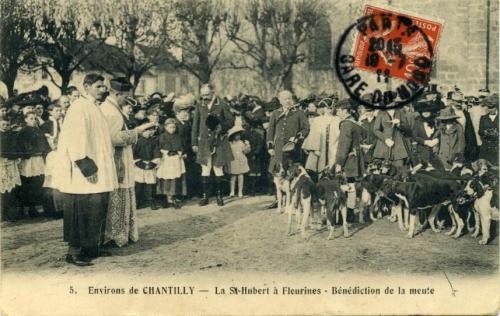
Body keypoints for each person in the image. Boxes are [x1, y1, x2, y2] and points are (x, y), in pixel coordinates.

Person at [53, 73, 117, 266]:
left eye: (104, 86)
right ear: (86, 87)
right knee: (80, 210)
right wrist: (86, 166)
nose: (103, 89)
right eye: (99, 86)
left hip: (99, 168)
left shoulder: (94, 108)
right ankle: (74, 252)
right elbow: (76, 139)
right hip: (85, 172)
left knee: (96, 208)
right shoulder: (79, 107)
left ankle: (91, 247)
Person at [100, 77, 154, 247]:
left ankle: (121, 232)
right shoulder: (110, 111)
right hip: (116, 158)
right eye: (125, 96)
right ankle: (115, 235)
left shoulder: (111, 108)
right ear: (117, 93)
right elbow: (113, 138)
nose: (127, 100)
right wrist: (139, 130)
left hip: (121, 155)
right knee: (117, 194)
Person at [191, 84, 234, 206]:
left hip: (218, 141)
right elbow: (195, 125)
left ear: (213, 92)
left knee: (218, 168)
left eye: (207, 94)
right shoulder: (200, 105)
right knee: (205, 168)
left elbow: (231, 120)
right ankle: (205, 197)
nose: (204, 97)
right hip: (204, 142)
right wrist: (194, 142)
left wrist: (222, 127)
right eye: (203, 95)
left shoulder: (222, 104)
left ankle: (219, 197)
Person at [266, 90, 309, 208]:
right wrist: (270, 147)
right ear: (280, 100)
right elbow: (270, 132)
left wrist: (298, 138)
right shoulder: (275, 113)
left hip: (293, 148)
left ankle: (295, 200)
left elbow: (306, 128)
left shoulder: (299, 113)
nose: (288, 101)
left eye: (290, 98)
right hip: (278, 149)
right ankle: (278, 200)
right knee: (277, 172)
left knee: (293, 173)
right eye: (285, 99)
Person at [335, 99, 365, 225]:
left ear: (344, 110)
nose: (337, 113)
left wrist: (339, 163)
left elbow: (344, 145)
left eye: (338, 111)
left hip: (347, 159)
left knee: (344, 187)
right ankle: (351, 213)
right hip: (356, 159)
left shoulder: (346, 124)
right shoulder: (356, 123)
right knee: (352, 186)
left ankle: (344, 216)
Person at [17, 111, 51, 217]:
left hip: (38, 159)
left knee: (39, 181)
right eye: (31, 118)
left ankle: (39, 206)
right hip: (29, 160)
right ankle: (30, 208)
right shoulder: (23, 132)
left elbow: (44, 144)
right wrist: (30, 152)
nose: (34, 121)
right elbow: (22, 146)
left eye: (35, 118)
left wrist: (46, 153)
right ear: (26, 119)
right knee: (29, 182)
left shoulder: (38, 130)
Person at [302, 97, 339, 181]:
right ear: (323, 109)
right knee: (320, 166)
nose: (329, 110)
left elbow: (339, 135)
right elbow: (313, 134)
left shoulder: (337, 120)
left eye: (331, 108)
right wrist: (315, 149)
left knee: (333, 166)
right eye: (327, 108)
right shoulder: (317, 120)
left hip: (333, 147)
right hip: (320, 147)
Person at [372, 107, 412, 174]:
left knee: (399, 170)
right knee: (384, 171)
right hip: (383, 146)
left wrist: (399, 124)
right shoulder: (381, 113)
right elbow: (376, 130)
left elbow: (408, 130)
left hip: (398, 146)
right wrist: (386, 139)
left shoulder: (400, 112)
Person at [156, 118, 185, 209]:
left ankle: (173, 198)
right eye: (170, 127)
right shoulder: (162, 136)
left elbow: (181, 147)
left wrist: (178, 152)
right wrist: (167, 152)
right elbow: (160, 147)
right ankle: (166, 198)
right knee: (166, 178)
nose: (172, 129)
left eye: (174, 127)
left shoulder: (178, 136)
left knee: (175, 179)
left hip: (176, 160)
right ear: (165, 127)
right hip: (166, 160)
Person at [173, 94, 197, 199]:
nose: (186, 113)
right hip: (180, 152)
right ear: (178, 112)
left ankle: (188, 193)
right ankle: (179, 195)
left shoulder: (186, 123)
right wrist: (182, 152)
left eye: (187, 111)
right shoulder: (175, 124)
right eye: (184, 111)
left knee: (188, 172)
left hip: (188, 151)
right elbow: (176, 140)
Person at [133, 126, 161, 210]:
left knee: (151, 185)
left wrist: (152, 163)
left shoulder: (154, 141)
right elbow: (133, 154)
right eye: (148, 130)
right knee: (138, 185)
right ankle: (137, 202)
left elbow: (157, 153)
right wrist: (140, 163)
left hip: (150, 164)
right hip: (140, 166)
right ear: (143, 131)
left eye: (152, 131)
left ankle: (151, 201)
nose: (151, 133)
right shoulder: (137, 141)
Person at [0, 118, 22, 221]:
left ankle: (10, 214)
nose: (5, 126)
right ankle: (2, 213)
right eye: (3, 124)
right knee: (2, 188)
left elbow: (16, 148)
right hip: (1, 164)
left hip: (11, 163)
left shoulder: (11, 136)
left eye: (7, 124)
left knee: (11, 188)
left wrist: (16, 156)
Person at [227, 126, 251, 197]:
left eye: (239, 135)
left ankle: (240, 191)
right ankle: (232, 191)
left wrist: (247, 145)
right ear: (233, 136)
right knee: (233, 177)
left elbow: (246, 151)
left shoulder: (241, 143)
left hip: (241, 161)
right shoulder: (230, 144)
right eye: (237, 135)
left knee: (241, 176)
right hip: (233, 161)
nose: (238, 136)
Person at [478, 93, 499, 165]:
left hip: (497, 148)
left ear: (496, 107)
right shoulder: (483, 118)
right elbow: (480, 131)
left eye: (492, 107)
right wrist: (485, 132)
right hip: (486, 148)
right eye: (489, 107)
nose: (490, 110)